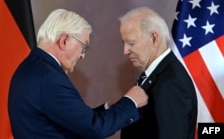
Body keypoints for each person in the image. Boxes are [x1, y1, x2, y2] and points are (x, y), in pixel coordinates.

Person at [8, 8, 148, 139]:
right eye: (84, 47)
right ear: (64, 41)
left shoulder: (31, 68)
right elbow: (95, 128)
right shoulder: (49, 79)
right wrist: (131, 101)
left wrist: (107, 109)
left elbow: (70, 119)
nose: (82, 56)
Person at [119, 7, 198, 139]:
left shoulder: (170, 84)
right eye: (124, 43)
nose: (125, 51)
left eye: (131, 43)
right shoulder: (158, 75)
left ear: (154, 38)